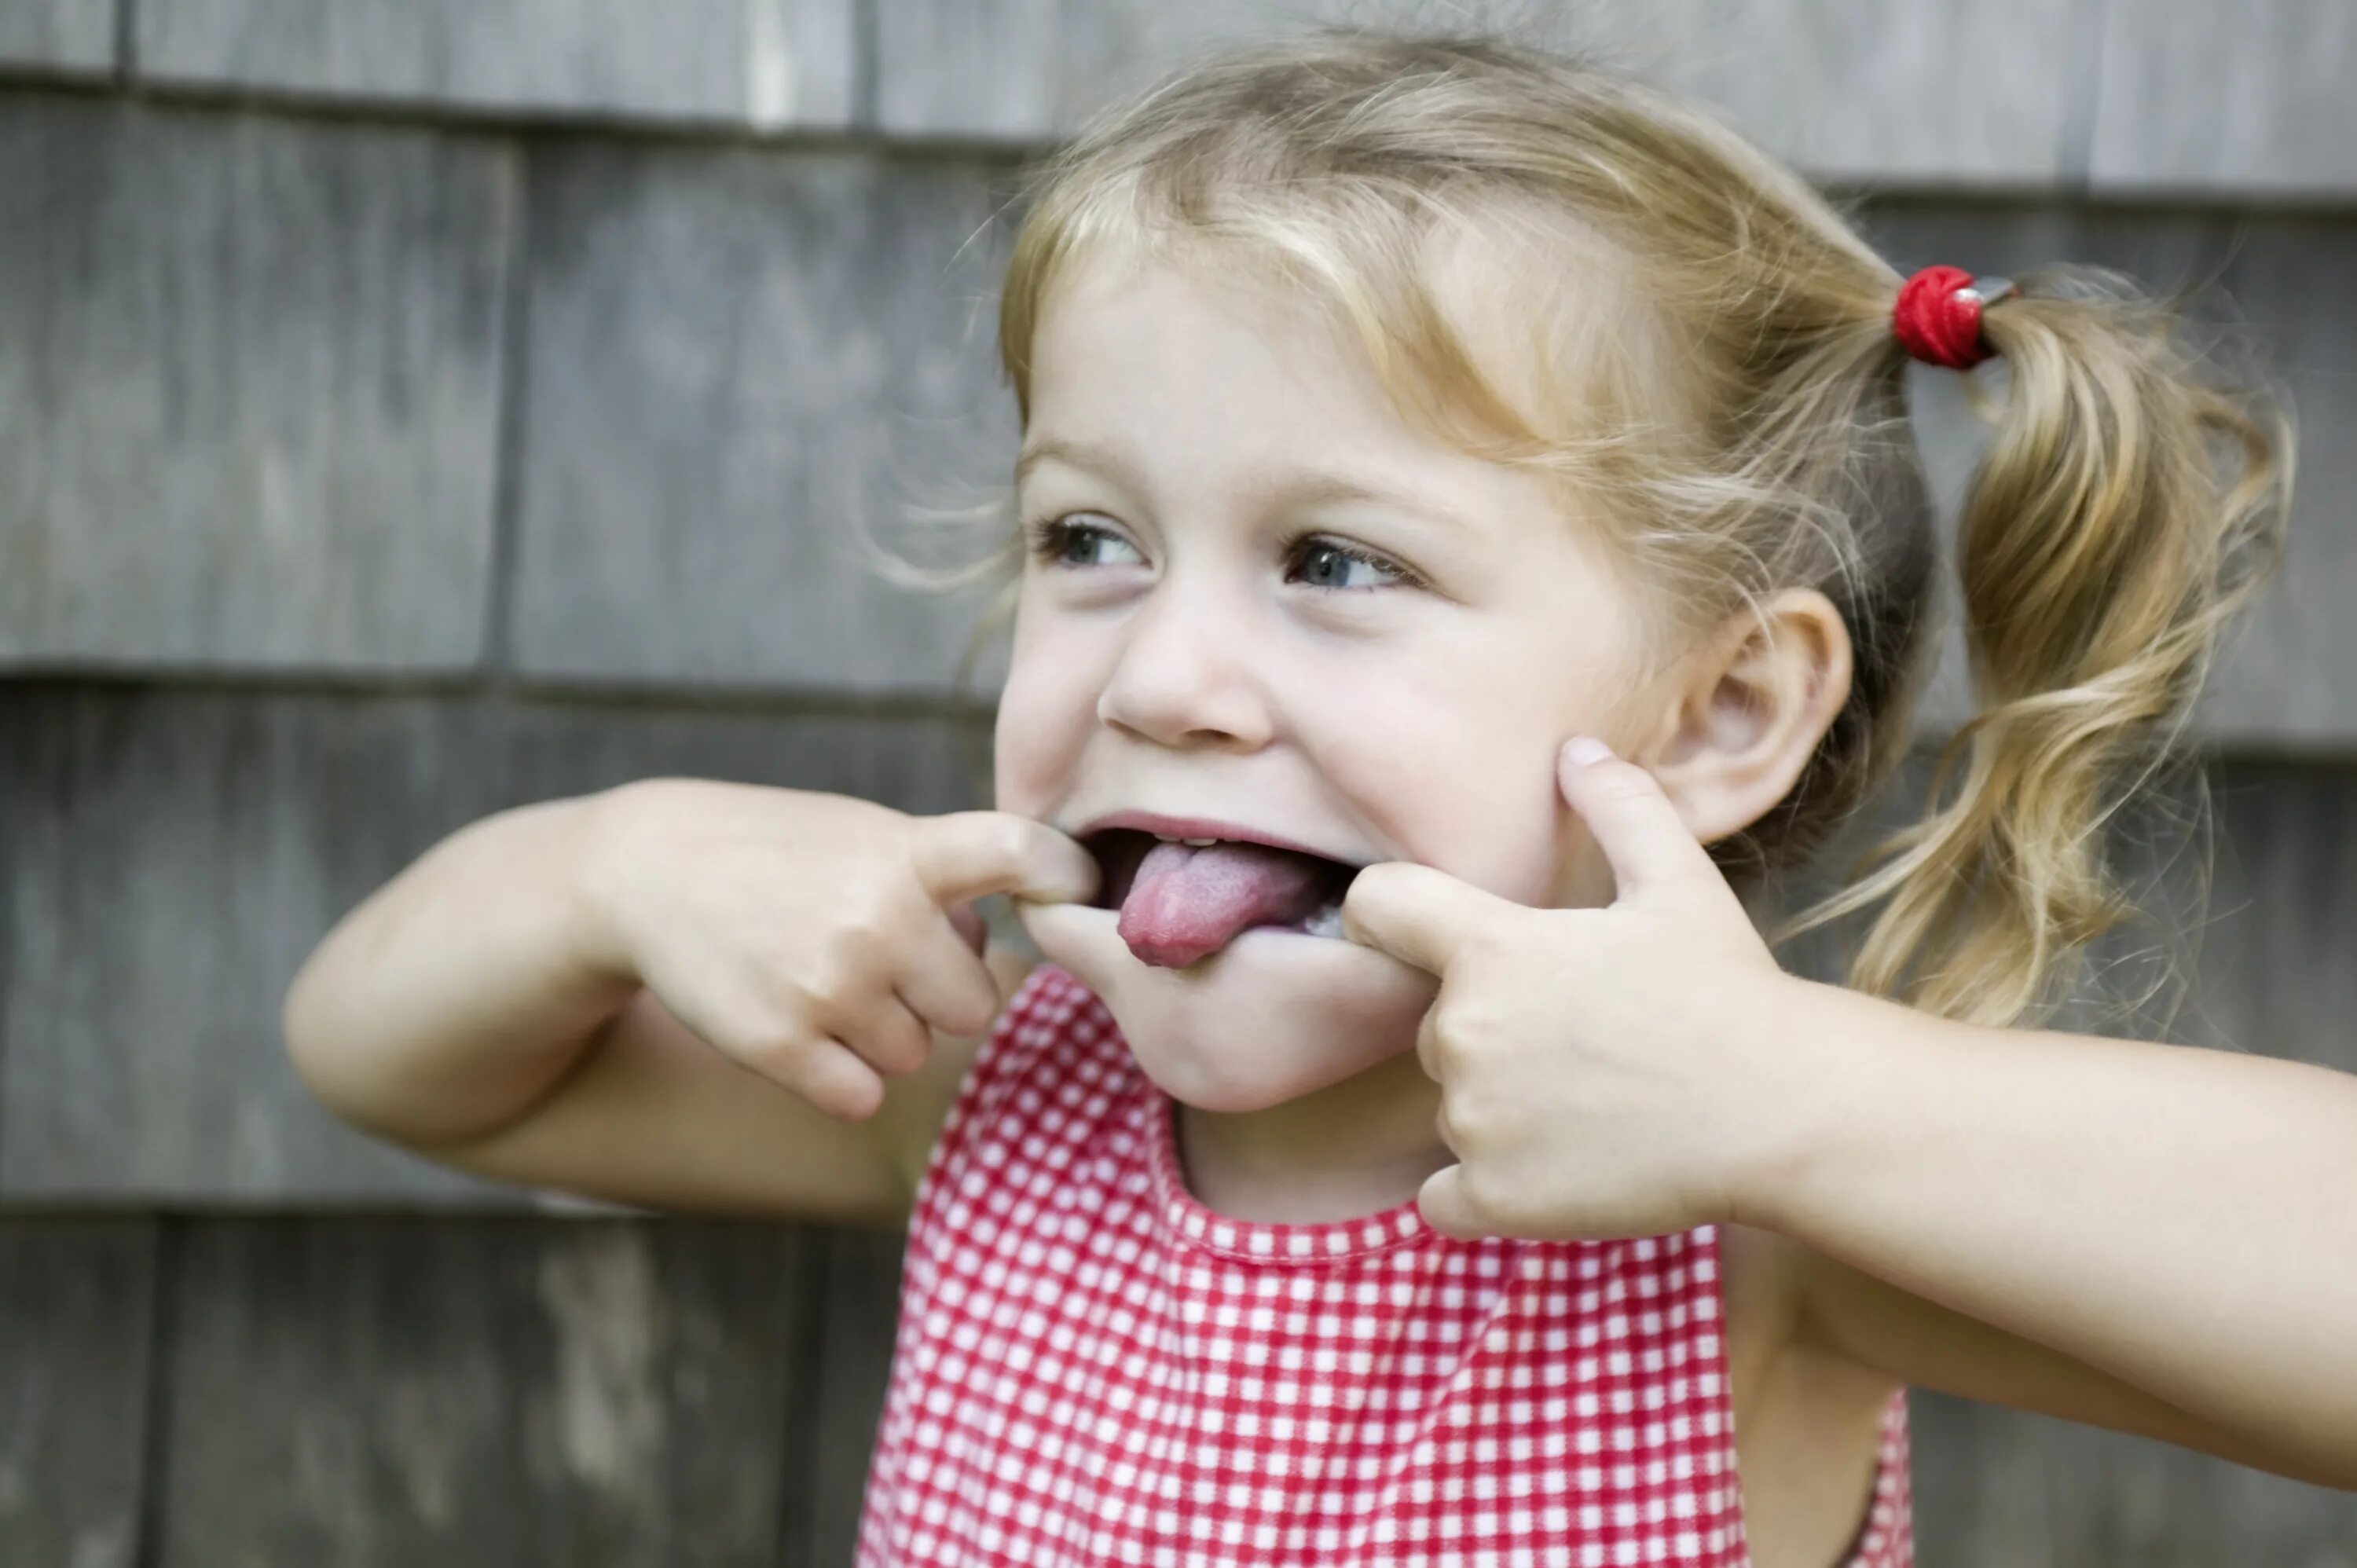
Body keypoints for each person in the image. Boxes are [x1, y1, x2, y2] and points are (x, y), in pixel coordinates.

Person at [280, 30, 2356, 1568]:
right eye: (1091, 536)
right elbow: (398, 1064)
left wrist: (1787, 1097)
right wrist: (601, 866)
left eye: (1338, 563)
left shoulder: (1754, 1223)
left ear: (1725, 708)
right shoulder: (1002, 1090)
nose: (1163, 677)